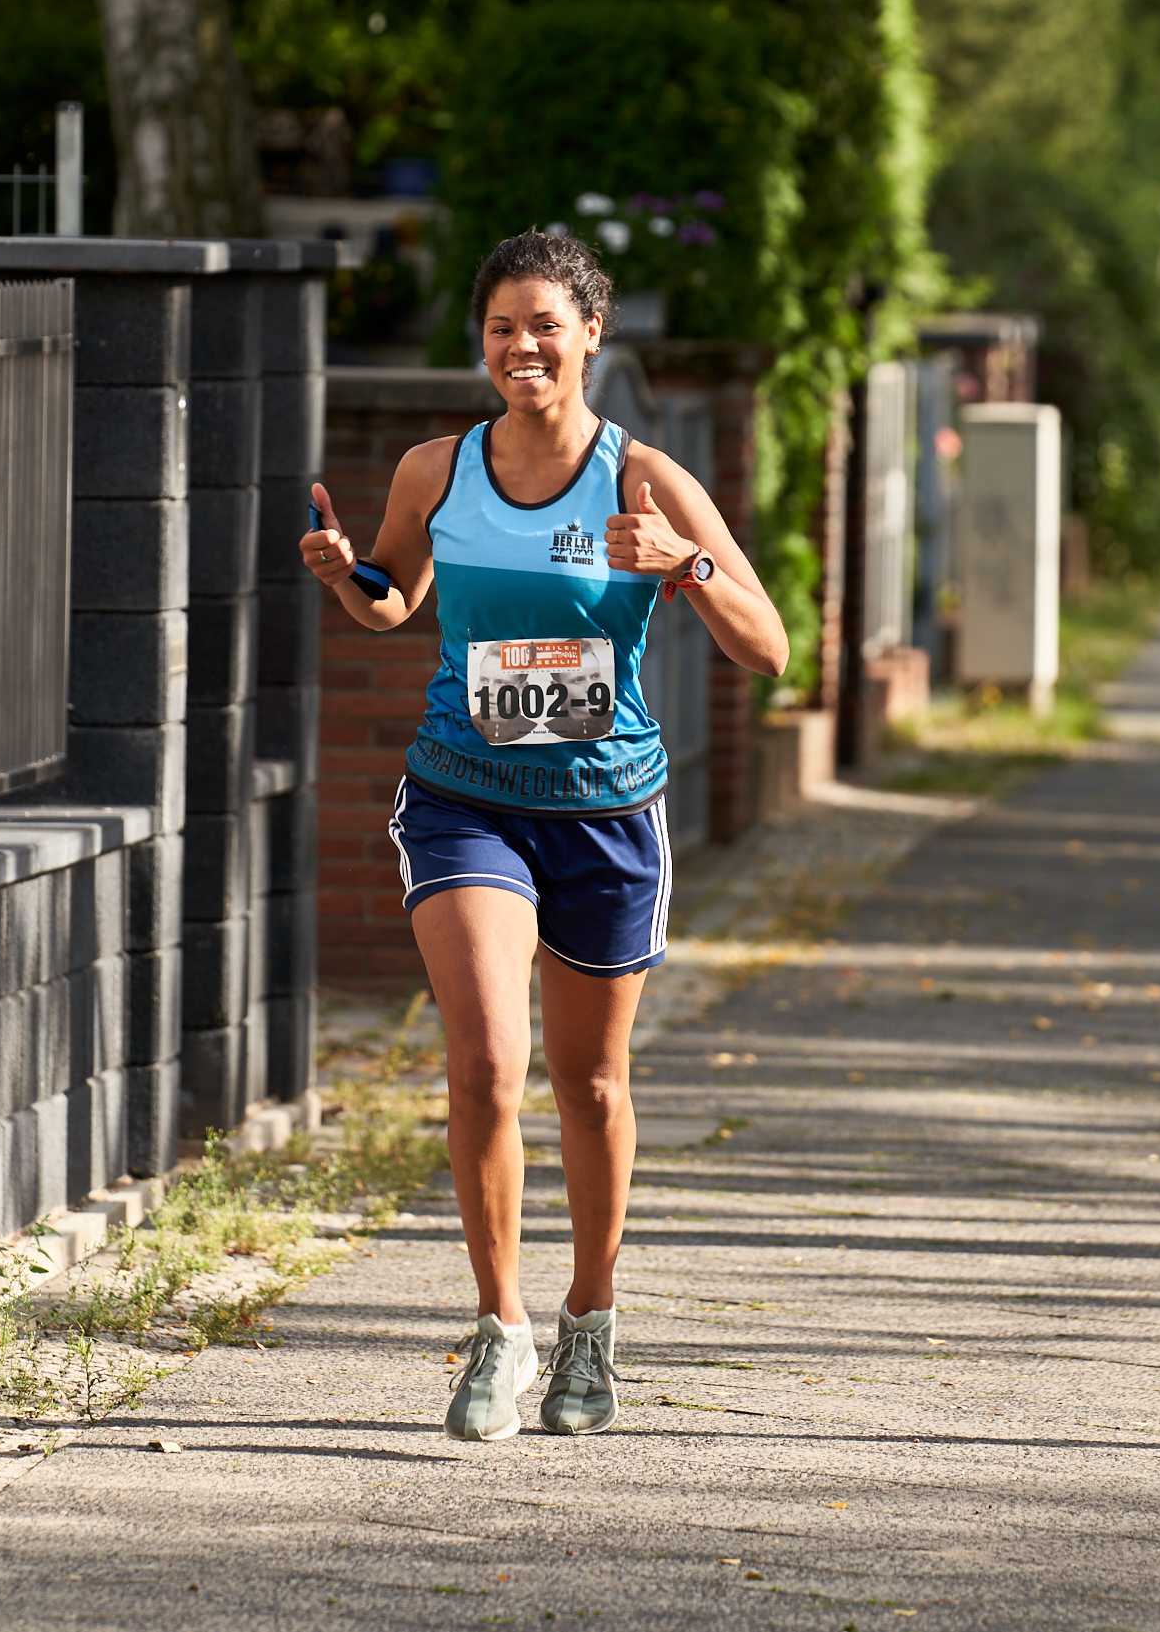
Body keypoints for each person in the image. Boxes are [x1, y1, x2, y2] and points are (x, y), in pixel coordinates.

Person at [298, 228, 788, 1441]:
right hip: (467, 793)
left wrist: (683, 566)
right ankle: (500, 1330)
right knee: (483, 1063)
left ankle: (592, 1326)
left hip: (606, 813)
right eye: (502, 327)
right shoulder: (433, 468)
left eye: (545, 326)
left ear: (590, 338)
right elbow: (396, 601)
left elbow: (767, 646)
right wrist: (345, 573)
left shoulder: (647, 479)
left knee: (594, 1082)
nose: (523, 346)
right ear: (483, 342)